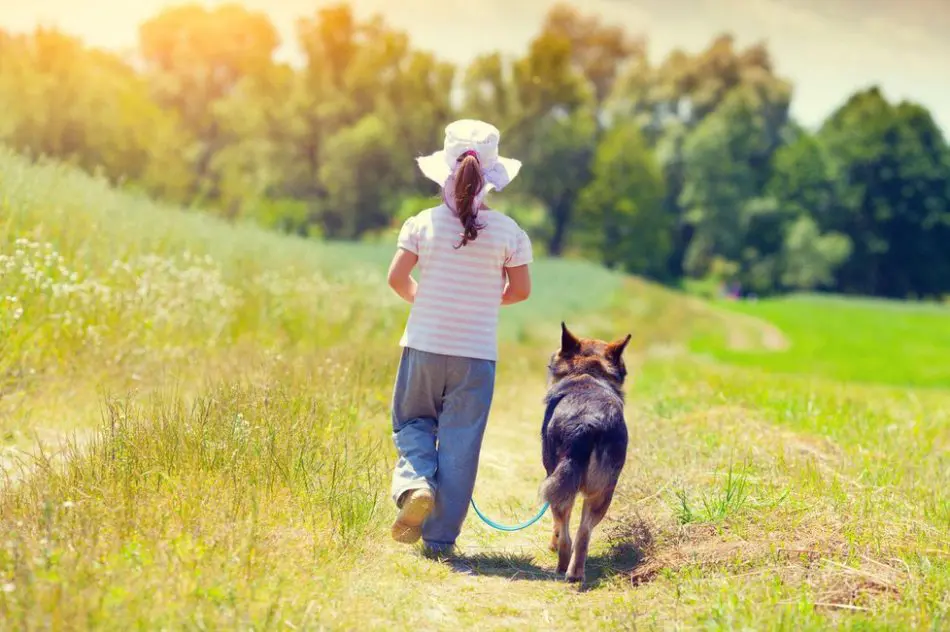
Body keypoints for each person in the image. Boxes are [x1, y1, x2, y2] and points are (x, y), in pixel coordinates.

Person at [385, 119, 533, 555]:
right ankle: (439, 538)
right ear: (492, 177)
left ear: (444, 169)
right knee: (461, 443)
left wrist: (426, 300)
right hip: (476, 356)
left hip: (424, 345)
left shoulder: (422, 223)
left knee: (412, 422)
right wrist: (484, 302)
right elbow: (521, 291)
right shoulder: (509, 232)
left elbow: (397, 279)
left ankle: (415, 486)